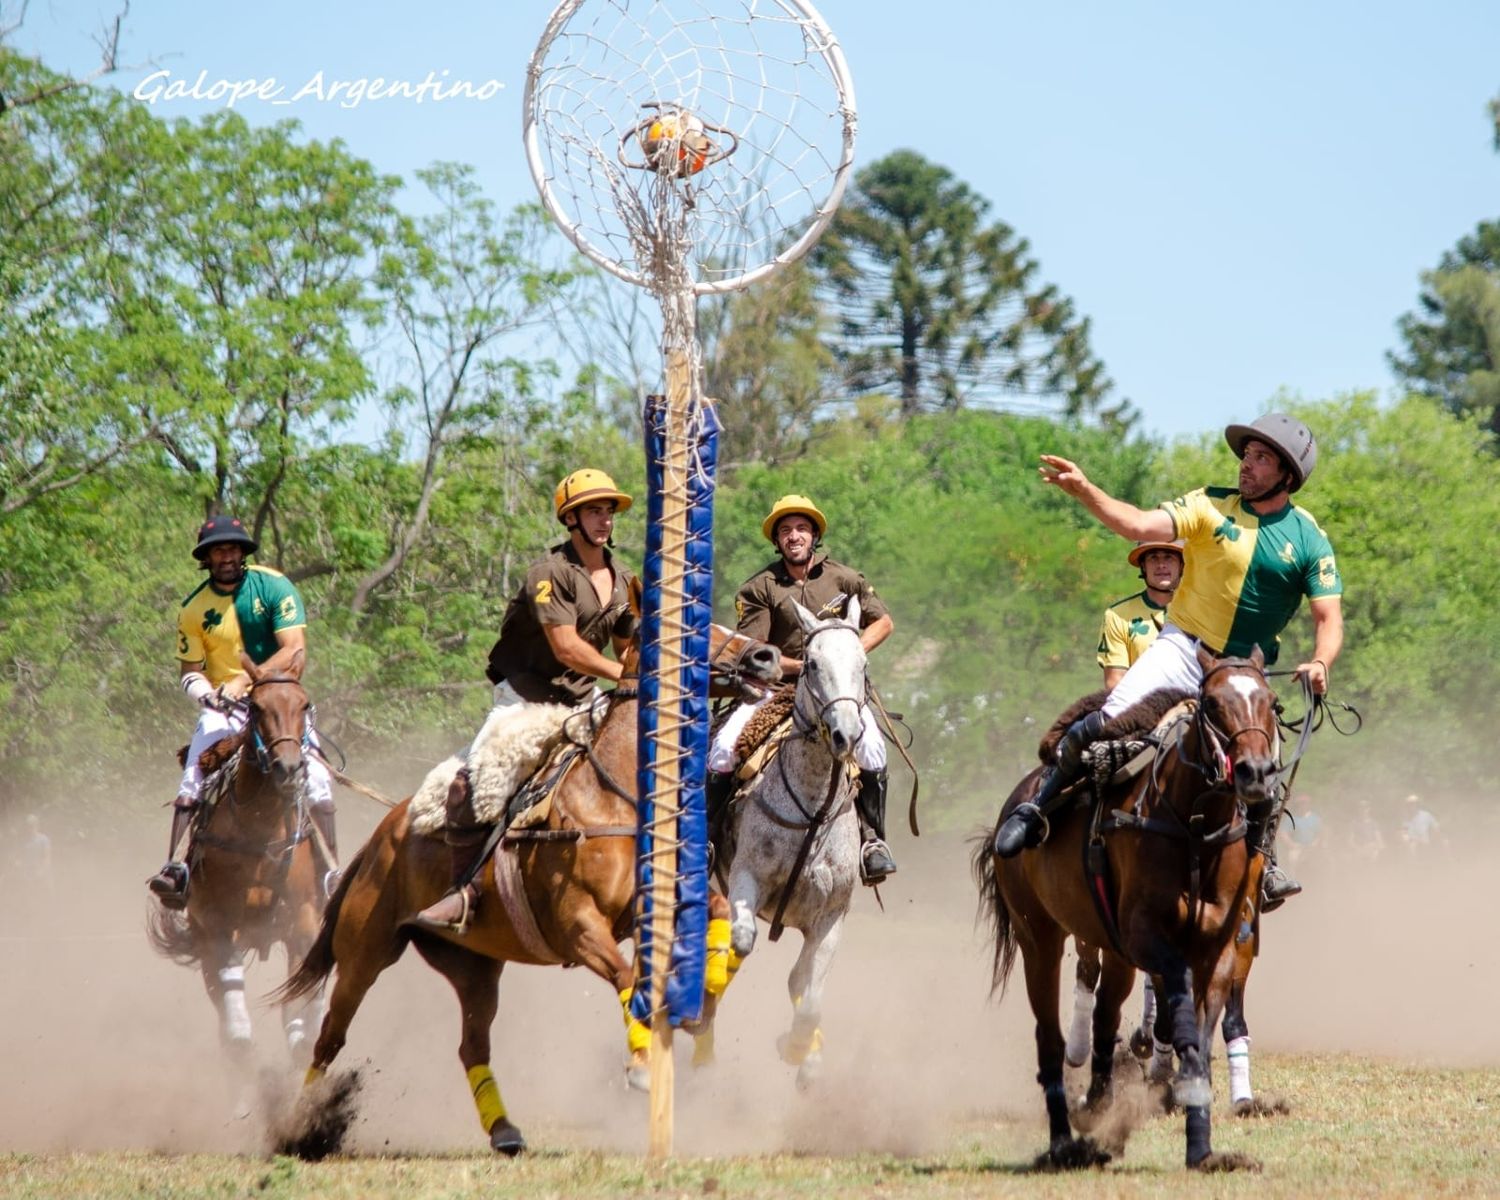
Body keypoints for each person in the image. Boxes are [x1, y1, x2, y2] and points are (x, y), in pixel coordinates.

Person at [993, 413, 1344, 910]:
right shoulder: (1209, 504)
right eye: (1247, 454)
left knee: (1266, 765)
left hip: (1245, 669)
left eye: (1261, 458)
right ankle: (1038, 807)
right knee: (1109, 720)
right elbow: (1136, 523)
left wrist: (1321, 662)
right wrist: (1085, 490)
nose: (1247, 464)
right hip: (1184, 648)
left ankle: (1264, 862)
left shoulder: (1309, 537)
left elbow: (1328, 617)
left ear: (1287, 474)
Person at [412, 469, 639, 932]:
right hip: (525, 699)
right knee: (469, 785)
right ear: (570, 518)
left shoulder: (623, 578)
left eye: (608, 511)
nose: (604, 519)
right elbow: (567, 648)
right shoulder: (549, 572)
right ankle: (464, 891)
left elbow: (624, 649)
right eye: (594, 510)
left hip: (581, 700)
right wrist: (624, 675)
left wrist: (646, 663)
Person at [706, 494, 897, 885]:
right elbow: (754, 650)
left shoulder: (845, 578)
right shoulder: (760, 587)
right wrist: (805, 663)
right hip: (775, 690)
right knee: (724, 748)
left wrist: (842, 655)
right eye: (786, 530)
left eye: (802, 528)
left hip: (836, 691)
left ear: (815, 535)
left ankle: (873, 841)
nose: (794, 536)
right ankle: (706, 843)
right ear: (777, 540)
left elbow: (884, 623)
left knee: (873, 749)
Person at [147, 515, 337, 908]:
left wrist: (248, 681)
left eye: (233, 548)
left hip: (280, 701)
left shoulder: (274, 586)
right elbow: (189, 671)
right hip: (225, 708)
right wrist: (207, 694)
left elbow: (294, 649)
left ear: (243, 553)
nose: (227, 556)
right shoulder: (193, 608)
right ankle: (176, 869)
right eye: (219, 550)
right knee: (193, 776)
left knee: (318, 779)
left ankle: (331, 871)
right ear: (207, 557)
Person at [1097, 540, 1185, 689]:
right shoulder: (1118, 615)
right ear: (1143, 566)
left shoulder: (1203, 611)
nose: (1161, 564)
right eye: (1153, 558)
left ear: (1182, 565)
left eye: (1169, 557)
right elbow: (1114, 682)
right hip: (1142, 705)